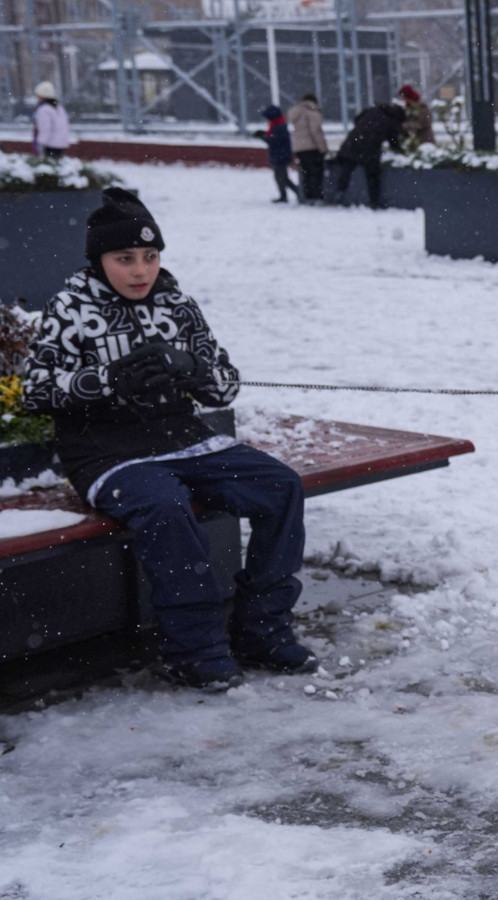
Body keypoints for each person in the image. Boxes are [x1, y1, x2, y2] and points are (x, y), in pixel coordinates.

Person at [22, 188, 313, 691]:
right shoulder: (70, 306)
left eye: (150, 256)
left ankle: (262, 629)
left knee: (281, 487)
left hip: (185, 439)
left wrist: (194, 368)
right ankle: (194, 649)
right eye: (125, 258)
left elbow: (225, 384)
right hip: (106, 451)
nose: (140, 271)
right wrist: (105, 382)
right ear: (99, 259)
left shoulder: (177, 303)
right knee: (166, 508)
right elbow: (36, 389)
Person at [331, 103, 407, 209]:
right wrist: (402, 152)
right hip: (370, 147)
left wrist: (364, 129)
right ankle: (374, 201)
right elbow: (394, 142)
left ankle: (339, 193)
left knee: (347, 168)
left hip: (354, 141)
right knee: (372, 175)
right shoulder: (392, 120)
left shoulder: (373, 110)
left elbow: (357, 119)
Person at [253, 105, 300, 204]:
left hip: (281, 155)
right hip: (279, 154)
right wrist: (263, 134)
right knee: (279, 176)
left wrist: (262, 136)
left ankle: (297, 192)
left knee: (282, 177)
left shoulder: (279, 126)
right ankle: (286, 194)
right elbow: (273, 138)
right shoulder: (277, 125)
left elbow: (274, 140)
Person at [288, 93, 328, 204]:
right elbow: (316, 131)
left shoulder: (297, 111)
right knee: (316, 173)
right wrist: (323, 148)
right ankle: (317, 197)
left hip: (299, 148)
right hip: (312, 147)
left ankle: (307, 197)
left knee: (305, 173)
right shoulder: (311, 111)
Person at [31, 81, 70, 159]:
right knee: (56, 166)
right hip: (60, 143)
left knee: (46, 167)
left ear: (42, 95)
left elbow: (45, 129)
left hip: (49, 144)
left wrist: (41, 145)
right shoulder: (58, 107)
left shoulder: (43, 109)